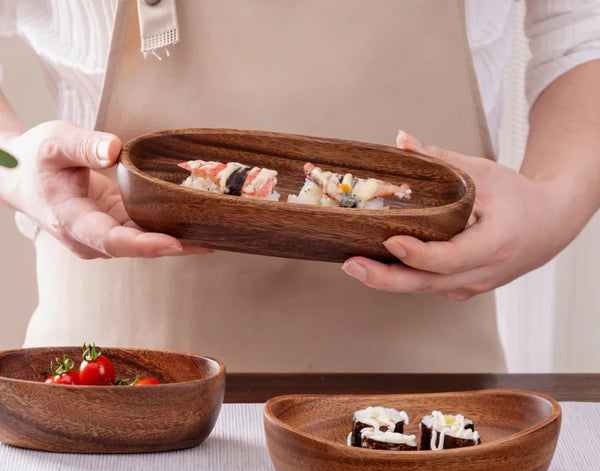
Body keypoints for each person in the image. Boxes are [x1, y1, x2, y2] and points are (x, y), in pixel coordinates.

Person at [0, 0, 599, 372]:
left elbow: (585, 29)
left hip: (423, 401)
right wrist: (15, 165)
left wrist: (554, 204)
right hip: (111, 383)